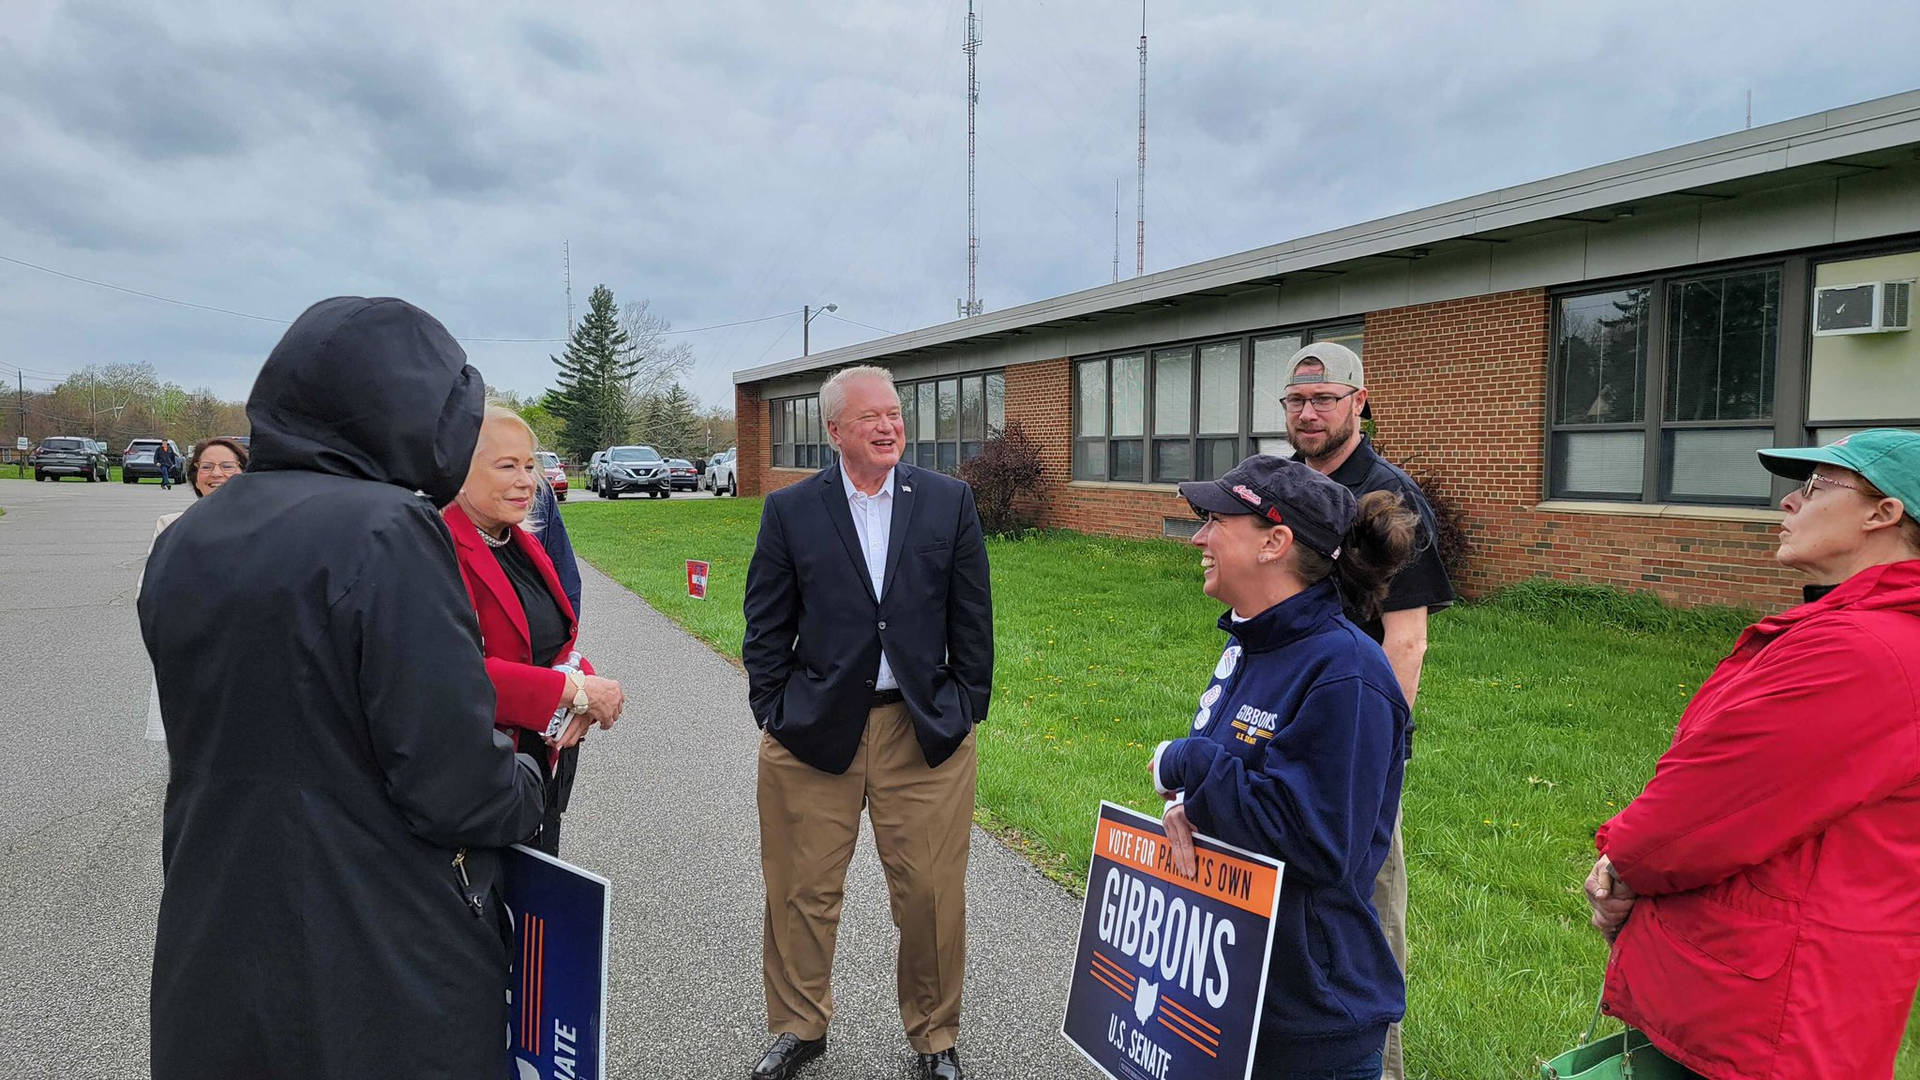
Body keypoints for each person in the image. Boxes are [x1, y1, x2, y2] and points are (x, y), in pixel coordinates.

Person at [137, 296, 549, 1080]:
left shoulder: (190, 536)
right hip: (373, 944)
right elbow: (452, 782)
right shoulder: (388, 528)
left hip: (214, 922)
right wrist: (527, 779)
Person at [1584, 429, 1920, 1080]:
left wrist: (1622, 865)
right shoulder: (1861, 634)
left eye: (1817, 486)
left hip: (1772, 1016)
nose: (1790, 503)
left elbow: (1705, 809)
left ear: (1885, 513)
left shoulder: (1864, 653)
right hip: (1775, 995)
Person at [742, 365, 993, 1080]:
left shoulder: (948, 502)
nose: (888, 426)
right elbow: (766, 626)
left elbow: (973, 621)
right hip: (814, 731)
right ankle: (799, 1027)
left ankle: (935, 1038)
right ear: (834, 432)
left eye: (894, 413)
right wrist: (776, 708)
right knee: (801, 889)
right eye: (869, 418)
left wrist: (965, 708)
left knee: (930, 896)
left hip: (921, 733)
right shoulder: (791, 512)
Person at [1151, 455, 1416, 1080]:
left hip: (1308, 1020)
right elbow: (1244, 786)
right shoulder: (1254, 642)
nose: (1199, 537)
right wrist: (1184, 807)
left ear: (1275, 542)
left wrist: (1190, 761)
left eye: (1216, 520)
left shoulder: (1346, 673)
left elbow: (1320, 842)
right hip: (1235, 991)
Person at [1283, 341, 1453, 1080]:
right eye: (1295, 401)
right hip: (1280, 728)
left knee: (1367, 910)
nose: (1308, 412)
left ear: (1359, 402)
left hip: (1352, 743)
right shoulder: (1283, 485)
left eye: (1324, 399)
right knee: (1283, 909)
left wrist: (1373, 754)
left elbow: (1406, 639)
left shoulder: (1388, 497)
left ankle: (1376, 1066)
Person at [444, 405, 624, 855]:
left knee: (537, 909)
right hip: (478, 780)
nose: (527, 480)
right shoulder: (439, 548)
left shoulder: (519, 540)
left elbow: (554, 644)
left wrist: (581, 688)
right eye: (507, 466)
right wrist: (576, 694)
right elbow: (457, 677)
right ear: (458, 470)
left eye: (530, 464)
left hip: (538, 765)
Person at [138, 436, 251, 741]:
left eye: (228, 466)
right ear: (195, 476)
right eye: (207, 467)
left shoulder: (267, 526)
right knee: (194, 744)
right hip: (193, 652)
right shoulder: (172, 525)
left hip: (251, 654)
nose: (217, 474)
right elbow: (149, 593)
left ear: (245, 473)